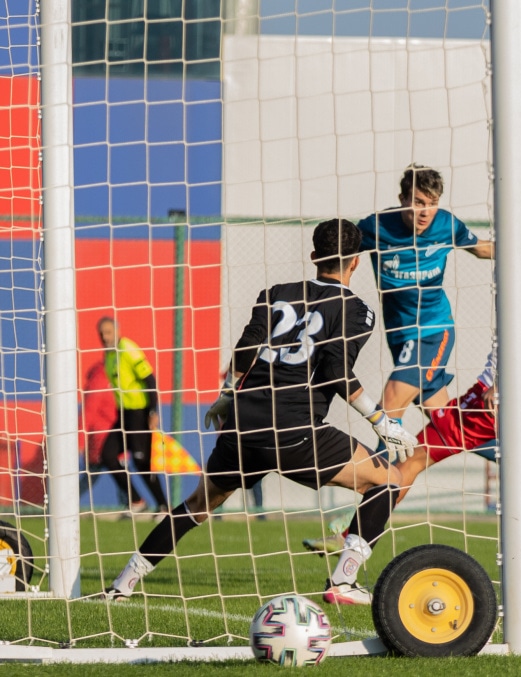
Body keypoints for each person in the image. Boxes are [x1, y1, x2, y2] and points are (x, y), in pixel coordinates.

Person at [308, 204, 521, 589]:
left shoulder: (513, 270)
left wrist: (497, 386)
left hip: (492, 399)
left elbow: (506, 294)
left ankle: (349, 545)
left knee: (412, 458)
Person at [102, 218, 416, 607]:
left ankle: (123, 582)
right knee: (390, 479)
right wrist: (381, 421)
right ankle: (344, 580)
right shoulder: (357, 311)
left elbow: (245, 348)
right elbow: (337, 372)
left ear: (314, 255)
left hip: (243, 424)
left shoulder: (276, 293)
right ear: (356, 263)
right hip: (294, 430)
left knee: (197, 506)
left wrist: (226, 395)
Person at [357, 165, 521, 429]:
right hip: (399, 334)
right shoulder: (376, 227)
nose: (426, 212)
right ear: (402, 198)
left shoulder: (446, 225)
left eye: (433, 203)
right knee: (447, 427)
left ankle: (382, 470)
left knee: (391, 403)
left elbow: (482, 249)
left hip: (433, 330)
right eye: (418, 202)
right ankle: (511, 453)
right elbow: (341, 252)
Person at [98, 317, 168, 513]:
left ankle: (163, 506)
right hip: (123, 415)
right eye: (102, 334)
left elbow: (150, 379)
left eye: (109, 332)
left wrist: (153, 411)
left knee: (141, 462)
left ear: (117, 331)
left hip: (139, 414)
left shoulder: (128, 349)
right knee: (108, 456)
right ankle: (137, 501)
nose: (105, 337)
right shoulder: (109, 355)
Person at [79, 360, 129, 507]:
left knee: (91, 478)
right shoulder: (101, 378)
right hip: (105, 439)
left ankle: (130, 505)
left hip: (111, 438)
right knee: (119, 474)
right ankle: (130, 505)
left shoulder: (115, 377)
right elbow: (88, 412)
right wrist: (81, 441)